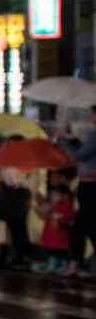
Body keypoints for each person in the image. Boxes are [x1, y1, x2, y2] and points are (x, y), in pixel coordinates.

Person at [70, 105, 96, 273]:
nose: (91, 118)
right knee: (83, 224)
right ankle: (77, 262)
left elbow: (80, 156)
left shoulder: (94, 135)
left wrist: (67, 141)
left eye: (93, 114)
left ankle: (77, 263)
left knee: (86, 224)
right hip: (90, 184)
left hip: (90, 184)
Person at [36, 183, 76, 275]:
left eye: (55, 195)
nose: (52, 197)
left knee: (60, 251)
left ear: (63, 196)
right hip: (51, 233)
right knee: (51, 250)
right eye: (51, 195)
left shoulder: (66, 205)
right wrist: (44, 209)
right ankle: (52, 265)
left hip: (60, 234)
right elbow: (41, 213)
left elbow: (67, 217)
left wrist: (52, 214)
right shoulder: (50, 204)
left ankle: (62, 265)